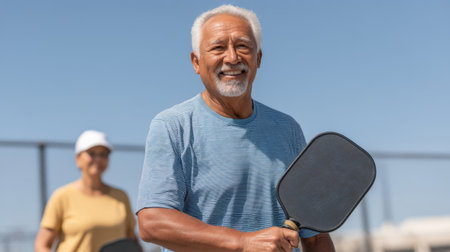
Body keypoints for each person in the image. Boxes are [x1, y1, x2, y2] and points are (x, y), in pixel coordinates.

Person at [137, 5, 335, 252]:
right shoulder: (171, 126)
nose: (232, 58)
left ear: (258, 59)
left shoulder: (288, 130)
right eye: (218, 47)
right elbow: (152, 222)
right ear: (196, 62)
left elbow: (315, 237)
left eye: (242, 46)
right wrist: (241, 242)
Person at [34, 130, 140, 252]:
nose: (98, 159)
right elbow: (41, 245)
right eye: (92, 153)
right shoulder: (62, 196)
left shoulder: (121, 197)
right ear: (78, 159)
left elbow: (132, 241)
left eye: (103, 154)